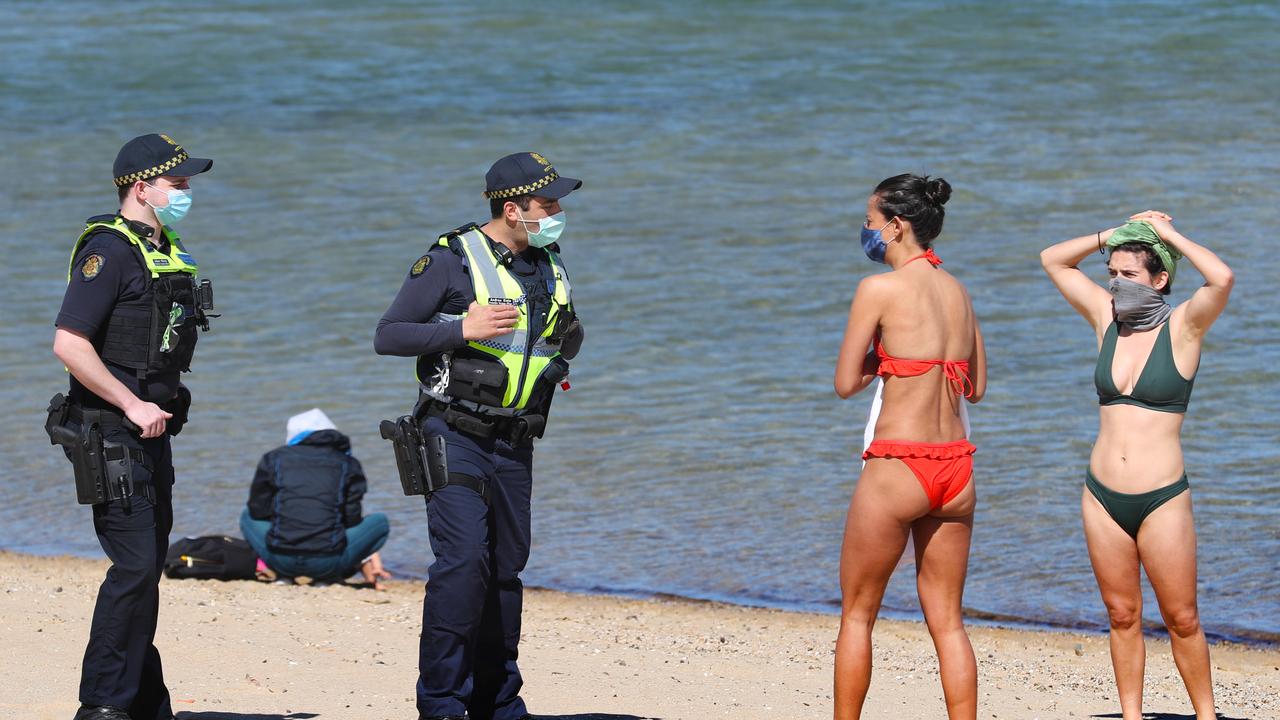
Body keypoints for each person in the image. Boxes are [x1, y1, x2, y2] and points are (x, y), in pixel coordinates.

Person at [375, 152, 585, 720]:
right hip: (452, 432)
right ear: (513, 209)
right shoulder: (449, 260)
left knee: (505, 569)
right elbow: (388, 335)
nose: (558, 212)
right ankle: (442, 704)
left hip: (516, 439)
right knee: (463, 563)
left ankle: (499, 702)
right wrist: (460, 328)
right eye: (549, 203)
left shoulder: (546, 261)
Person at [1040, 211, 1232, 720]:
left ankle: (1206, 715)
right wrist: (1114, 234)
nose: (1117, 283)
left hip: (1162, 495)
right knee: (1122, 614)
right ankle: (1131, 715)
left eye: (1130, 274)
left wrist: (1168, 235)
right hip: (1101, 493)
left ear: (1160, 279)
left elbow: (1223, 278)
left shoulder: (1186, 326)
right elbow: (1052, 260)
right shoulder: (1106, 319)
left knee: (1182, 617)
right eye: (1113, 273)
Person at [49, 133, 215, 720]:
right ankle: (101, 705)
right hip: (109, 431)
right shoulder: (110, 251)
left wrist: (166, 397)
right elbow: (69, 343)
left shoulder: (162, 248)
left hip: (151, 434)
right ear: (141, 188)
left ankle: (145, 700)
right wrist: (132, 403)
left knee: (147, 566)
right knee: (136, 566)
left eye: (189, 183)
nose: (188, 192)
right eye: (178, 183)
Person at [832, 174, 986, 720]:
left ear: (896, 227)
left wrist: (886, 359)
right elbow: (978, 386)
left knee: (858, 614)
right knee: (948, 621)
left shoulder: (879, 290)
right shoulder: (959, 291)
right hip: (956, 468)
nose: (867, 232)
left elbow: (846, 382)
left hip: (900, 463)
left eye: (871, 223)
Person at [240, 408, 392, 589]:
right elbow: (352, 518)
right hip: (327, 562)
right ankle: (327, 578)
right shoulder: (348, 463)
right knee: (380, 522)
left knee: (246, 515)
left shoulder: (274, 458)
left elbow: (258, 509)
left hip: (281, 558)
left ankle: (284, 576)